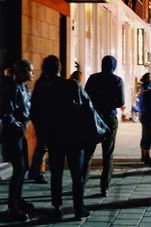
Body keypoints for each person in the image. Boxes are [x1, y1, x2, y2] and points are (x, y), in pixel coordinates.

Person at [30, 55, 92, 220]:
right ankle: (79, 209)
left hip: (53, 137)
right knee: (77, 174)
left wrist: (42, 131)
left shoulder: (41, 87)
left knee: (56, 173)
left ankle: (57, 208)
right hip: (74, 136)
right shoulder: (71, 85)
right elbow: (86, 107)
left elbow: (34, 113)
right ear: (60, 68)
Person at [84, 55, 125, 197]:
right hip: (109, 118)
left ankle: (81, 184)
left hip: (94, 118)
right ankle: (104, 187)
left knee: (88, 152)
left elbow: (85, 98)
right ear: (114, 66)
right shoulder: (117, 80)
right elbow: (120, 102)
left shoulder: (92, 78)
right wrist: (109, 102)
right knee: (107, 154)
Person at [1, 60, 34, 221]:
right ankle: (12, 206)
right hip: (14, 134)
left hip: (22, 132)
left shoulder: (25, 88)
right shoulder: (12, 88)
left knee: (23, 167)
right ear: (21, 72)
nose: (32, 73)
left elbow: (28, 108)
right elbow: (6, 112)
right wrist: (17, 125)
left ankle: (18, 200)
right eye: (30, 70)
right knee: (19, 167)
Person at [137, 73, 151, 165]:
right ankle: (147, 157)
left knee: (145, 134)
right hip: (148, 114)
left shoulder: (144, 87)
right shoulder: (148, 88)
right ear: (147, 79)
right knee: (147, 135)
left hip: (145, 113)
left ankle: (143, 155)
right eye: (150, 77)